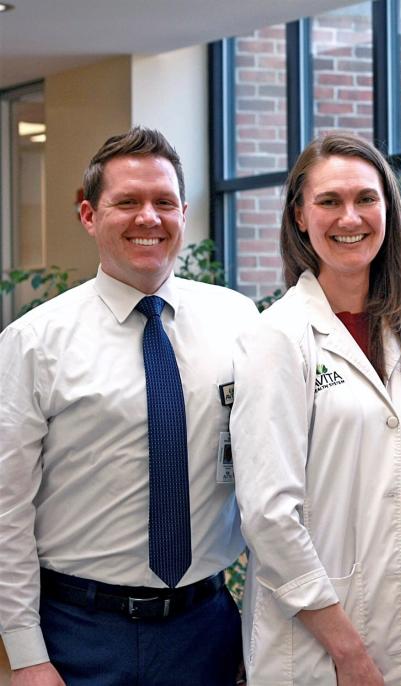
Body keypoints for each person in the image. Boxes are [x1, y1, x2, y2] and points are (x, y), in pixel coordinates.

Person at [0, 127, 257, 685]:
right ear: (90, 216)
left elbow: (271, 472)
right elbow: (6, 511)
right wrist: (25, 656)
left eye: (164, 202)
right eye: (128, 202)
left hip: (207, 627)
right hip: (78, 634)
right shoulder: (34, 342)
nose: (149, 217)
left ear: (184, 213)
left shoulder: (238, 321)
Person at [231, 132, 401, 685]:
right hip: (323, 646)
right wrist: (348, 650)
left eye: (367, 198)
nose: (351, 217)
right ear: (299, 217)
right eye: (329, 201)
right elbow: (270, 516)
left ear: (388, 208)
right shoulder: (278, 337)